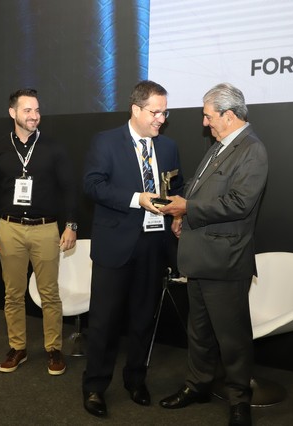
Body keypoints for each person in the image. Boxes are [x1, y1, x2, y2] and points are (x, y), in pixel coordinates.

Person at [158, 83, 268, 426]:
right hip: (200, 256)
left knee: (232, 339)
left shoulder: (252, 150)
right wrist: (182, 213)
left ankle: (239, 402)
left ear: (229, 115)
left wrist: (187, 207)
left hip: (225, 261)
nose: (205, 123)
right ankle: (197, 385)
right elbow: (198, 188)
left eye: (208, 116)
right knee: (199, 332)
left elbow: (239, 203)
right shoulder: (220, 147)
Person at [81, 80, 183, 417]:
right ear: (136, 109)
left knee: (143, 319)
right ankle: (95, 386)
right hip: (115, 247)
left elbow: (178, 187)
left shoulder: (168, 147)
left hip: (154, 246)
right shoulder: (106, 141)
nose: (161, 119)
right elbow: (93, 185)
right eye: (155, 112)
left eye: (164, 113)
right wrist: (137, 198)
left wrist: (177, 214)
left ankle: (136, 379)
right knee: (104, 322)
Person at [0, 88, 78, 376]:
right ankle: (17, 347)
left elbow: (70, 188)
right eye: (27, 110)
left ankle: (54, 348)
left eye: (37, 110)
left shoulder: (54, 148)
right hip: (8, 229)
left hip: (46, 228)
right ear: (13, 113)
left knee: (50, 293)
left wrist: (71, 225)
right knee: (13, 294)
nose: (34, 115)